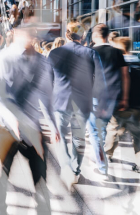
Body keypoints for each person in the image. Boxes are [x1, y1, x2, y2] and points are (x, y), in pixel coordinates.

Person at [0, 25, 57, 215]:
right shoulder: (1, 58)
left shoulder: (42, 63)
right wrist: (11, 117)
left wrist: (53, 123)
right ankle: (0, 209)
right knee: (1, 175)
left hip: (33, 129)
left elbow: (47, 96)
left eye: (31, 35)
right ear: (15, 35)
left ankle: (44, 211)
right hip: (6, 128)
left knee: (40, 178)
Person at [47, 21, 106, 190]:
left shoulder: (54, 53)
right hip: (83, 103)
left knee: (60, 137)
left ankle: (66, 167)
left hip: (60, 102)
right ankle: (76, 169)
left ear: (67, 34)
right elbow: (100, 82)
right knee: (79, 139)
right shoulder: (91, 54)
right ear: (82, 36)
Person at [86, 24, 129, 176]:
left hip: (94, 97)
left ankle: (102, 167)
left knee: (95, 133)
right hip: (112, 97)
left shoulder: (89, 52)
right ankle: (98, 156)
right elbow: (125, 75)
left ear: (96, 36)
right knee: (102, 129)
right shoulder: (117, 52)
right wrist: (124, 97)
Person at [104, 36, 140, 172]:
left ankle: (107, 155)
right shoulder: (137, 61)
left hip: (123, 104)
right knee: (137, 135)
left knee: (113, 130)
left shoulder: (120, 64)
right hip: (138, 105)